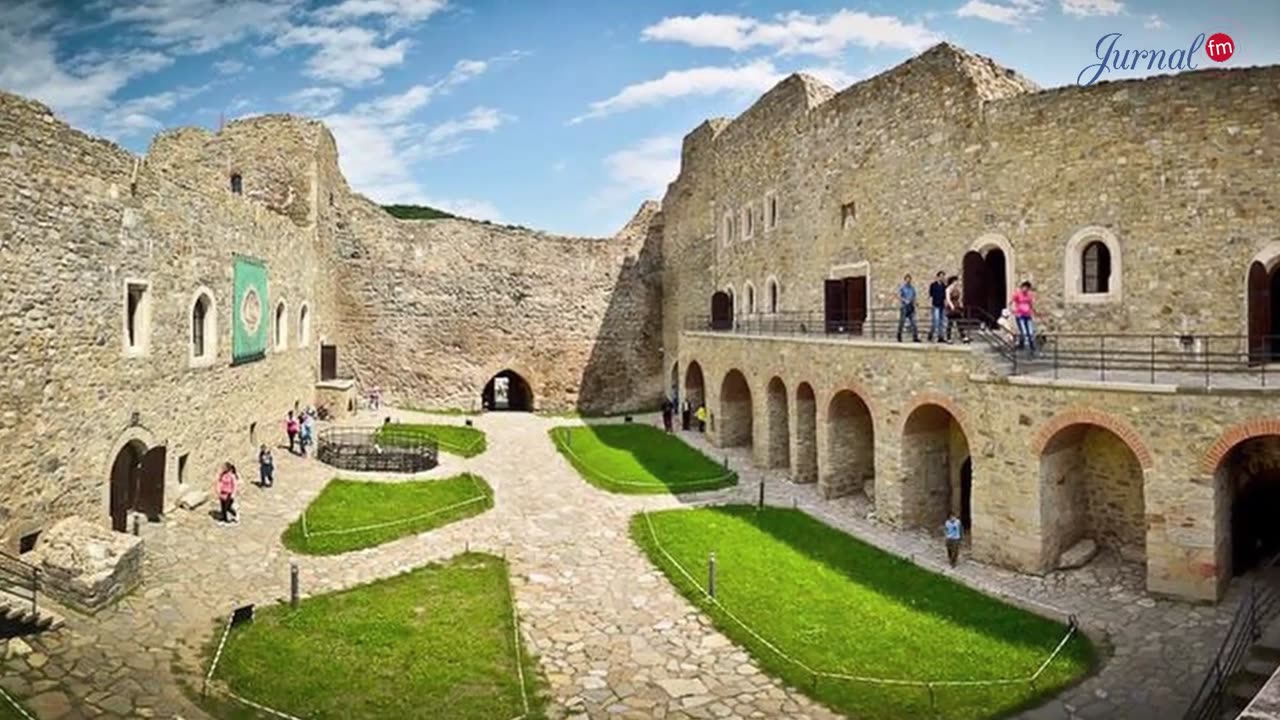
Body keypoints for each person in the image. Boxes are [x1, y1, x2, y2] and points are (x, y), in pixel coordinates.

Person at [1010, 281, 1037, 356]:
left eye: (1027, 288)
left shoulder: (1029, 295)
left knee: (1030, 332)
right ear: (1022, 287)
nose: (1025, 289)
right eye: (1024, 287)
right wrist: (1013, 310)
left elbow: (1031, 305)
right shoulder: (1017, 294)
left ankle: (1031, 347)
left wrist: (1034, 312)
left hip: (1028, 315)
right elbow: (1011, 302)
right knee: (1024, 332)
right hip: (1020, 315)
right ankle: (1026, 348)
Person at [896, 274, 920, 343]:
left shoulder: (912, 288)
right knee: (902, 322)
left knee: (914, 323)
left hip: (911, 307)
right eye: (907, 279)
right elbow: (899, 296)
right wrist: (905, 300)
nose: (908, 281)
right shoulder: (902, 288)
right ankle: (899, 335)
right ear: (905, 280)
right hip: (904, 307)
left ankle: (915, 337)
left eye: (909, 279)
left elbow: (914, 297)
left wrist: (915, 303)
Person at [944, 275, 968, 343]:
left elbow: (959, 298)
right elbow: (948, 299)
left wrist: (960, 304)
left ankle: (963, 336)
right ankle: (949, 338)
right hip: (951, 306)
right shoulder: (948, 289)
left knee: (959, 322)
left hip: (957, 305)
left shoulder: (956, 289)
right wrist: (951, 306)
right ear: (953, 281)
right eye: (956, 281)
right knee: (950, 323)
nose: (957, 282)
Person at [927, 271, 947, 343]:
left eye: (943, 276)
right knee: (936, 321)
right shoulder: (933, 285)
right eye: (941, 276)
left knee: (941, 322)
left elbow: (945, 296)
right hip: (935, 305)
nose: (942, 278)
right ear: (937, 277)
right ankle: (932, 334)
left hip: (942, 305)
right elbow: (931, 295)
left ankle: (940, 337)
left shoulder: (944, 286)